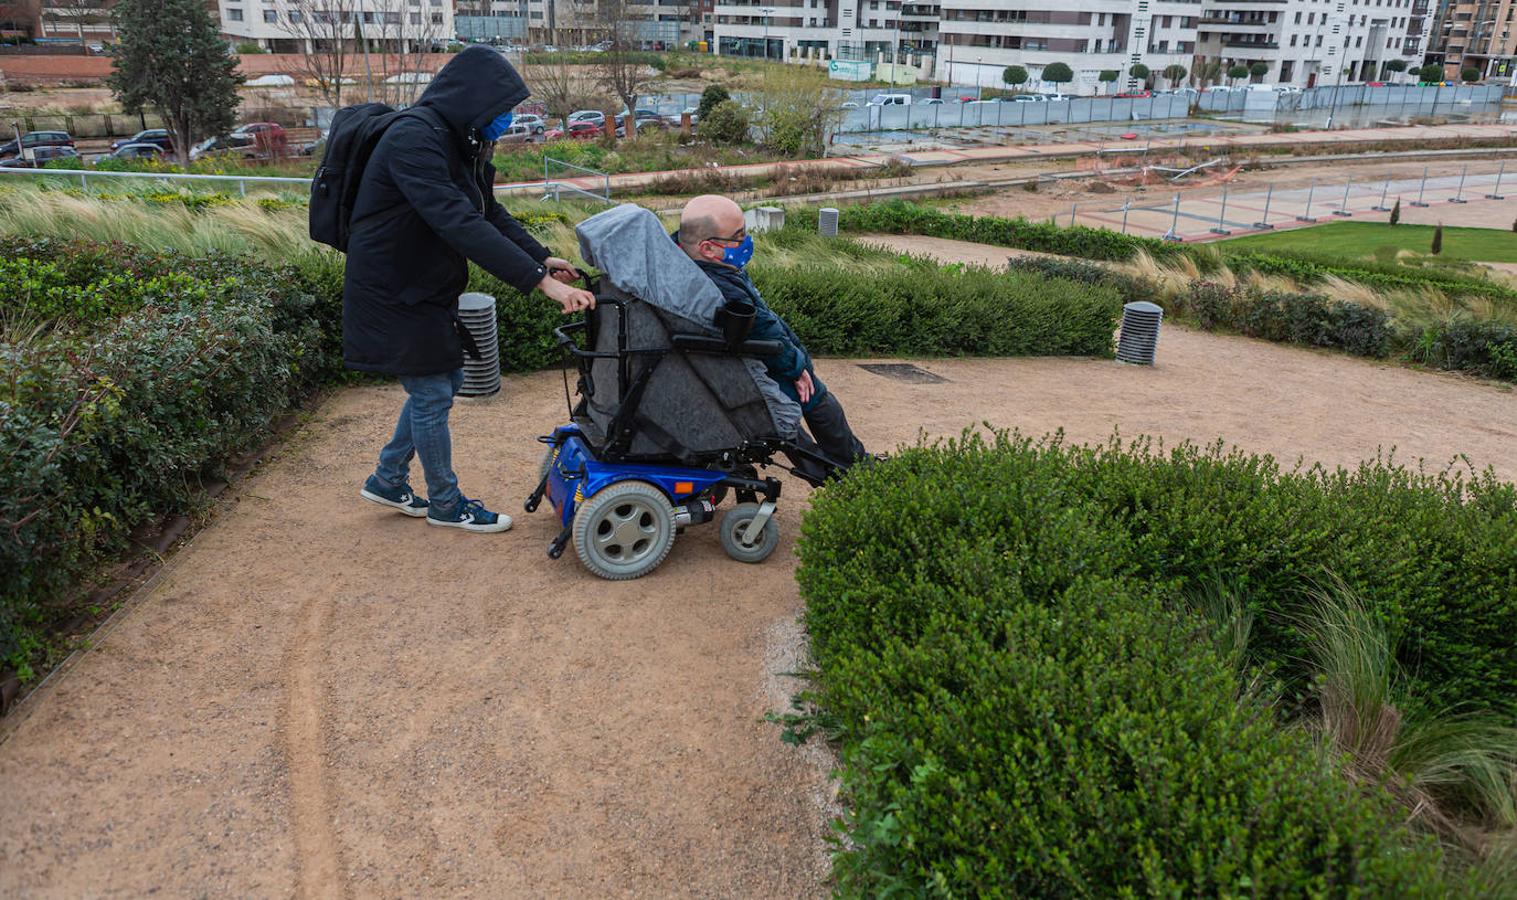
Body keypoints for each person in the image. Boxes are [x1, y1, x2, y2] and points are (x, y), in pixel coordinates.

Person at [344, 46, 595, 534]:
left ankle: (388, 478)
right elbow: (456, 222)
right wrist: (539, 283)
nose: (506, 120)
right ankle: (444, 502)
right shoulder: (413, 139)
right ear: (473, 99)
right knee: (433, 390)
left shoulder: (462, 139)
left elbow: (487, 211)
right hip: (392, 289)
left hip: (422, 287)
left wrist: (540, 254)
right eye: (501, 111)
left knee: (441, 384)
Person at [673, 195, 870, 482]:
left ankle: (833, 468)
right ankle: (849, 469)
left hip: (721, 368)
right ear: (708, 248)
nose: (747, 241)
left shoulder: (687, 262)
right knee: (812, 395)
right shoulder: (726, 289)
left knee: (797, 395)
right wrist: (797, 367)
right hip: (743, 375)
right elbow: (766, 330)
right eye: (738, 236)